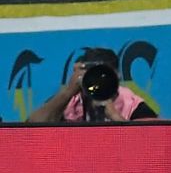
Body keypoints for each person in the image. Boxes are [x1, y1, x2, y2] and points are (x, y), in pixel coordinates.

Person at [27, 47, 158, 123]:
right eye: (93, 75)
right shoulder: (69, 101)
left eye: (104, 76)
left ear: (117, 76)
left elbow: (151, 144)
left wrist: (115, 117)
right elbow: (29, 130)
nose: (98, 82)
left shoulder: (132, 105)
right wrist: (67, 92)